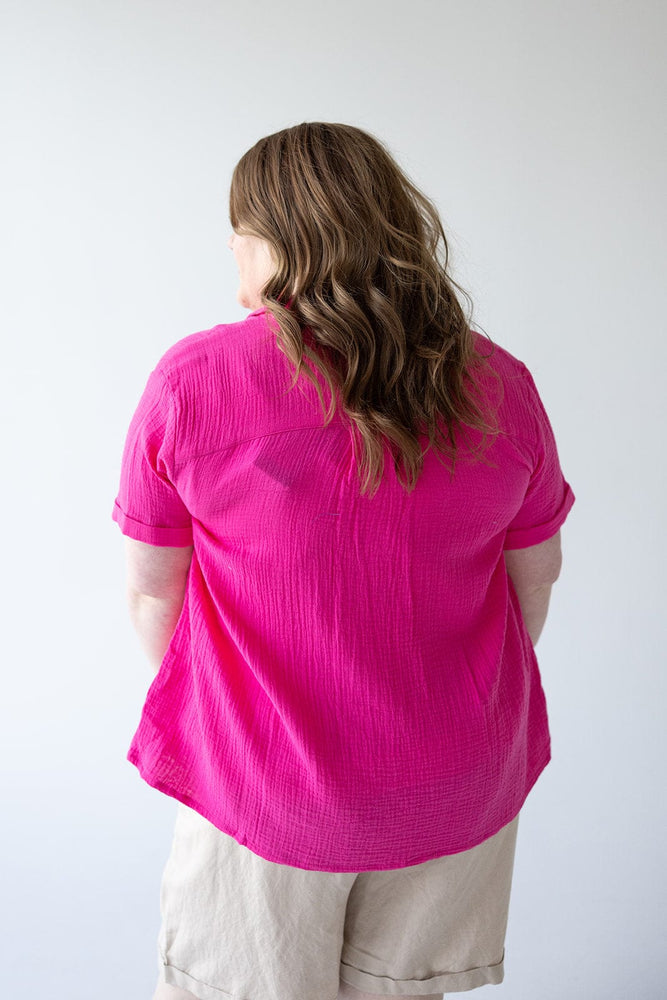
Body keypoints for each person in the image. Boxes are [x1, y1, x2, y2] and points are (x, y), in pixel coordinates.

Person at [111, 122, 575, 1000]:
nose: (230, 253)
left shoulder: (195, 383)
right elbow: (534, 581)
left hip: (264, 791)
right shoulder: (500, 384)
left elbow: (150, 596)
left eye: (240, 233)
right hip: (451, 786)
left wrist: (231, 725)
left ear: (277, 244)